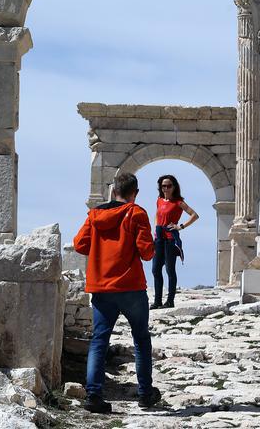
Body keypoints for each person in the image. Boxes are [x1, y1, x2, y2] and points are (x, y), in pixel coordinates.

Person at [73, 172, 162, 414]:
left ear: (114, 191)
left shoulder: (95, 215)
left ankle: (93, 395)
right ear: (135, 193)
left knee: (99, 340)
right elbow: (147, 253)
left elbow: (80, 244)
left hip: (102, 288)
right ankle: (145, 394)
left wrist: (101, 248)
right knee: (141, 339)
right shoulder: (137, 213)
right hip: (131, 287)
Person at [151, 174, 199, 309]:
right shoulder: (159, 200)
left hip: (170, 238)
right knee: (155, 269)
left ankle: (170, 301)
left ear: (174, 187)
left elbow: (194, 215)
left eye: (169, 186)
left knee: (170, 270)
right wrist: (155, 228)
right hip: (158, 237)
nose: (166, 188)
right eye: (163, 186)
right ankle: (157, 301)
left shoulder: (179, 202)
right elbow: (157, 214)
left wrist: (180, 226)